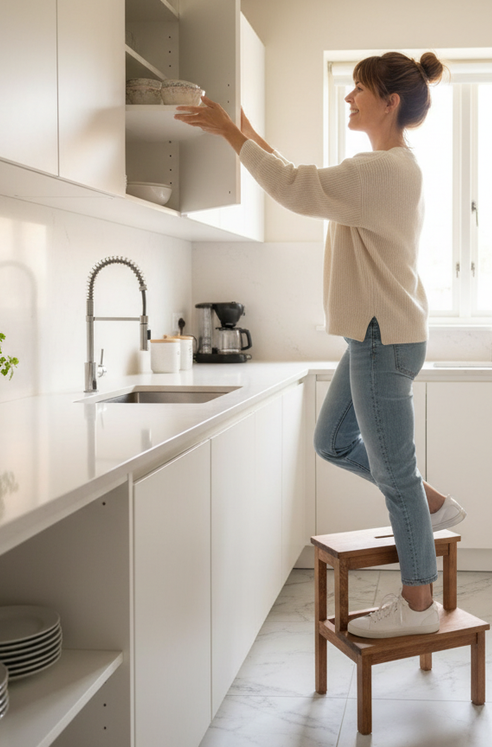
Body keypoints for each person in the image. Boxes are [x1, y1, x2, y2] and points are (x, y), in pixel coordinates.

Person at [176, 51, 465, 639]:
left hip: (381, 339)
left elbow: (295, 187)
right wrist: (241, 129)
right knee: (332, 441)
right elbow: (295, 176)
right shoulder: (386, 168)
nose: (349, 97)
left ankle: (418, 607)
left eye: (359, 89)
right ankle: (427, 503)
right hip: (375, 336)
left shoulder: (380, 170)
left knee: (395, 475)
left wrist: (234, 134)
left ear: (390, 102)